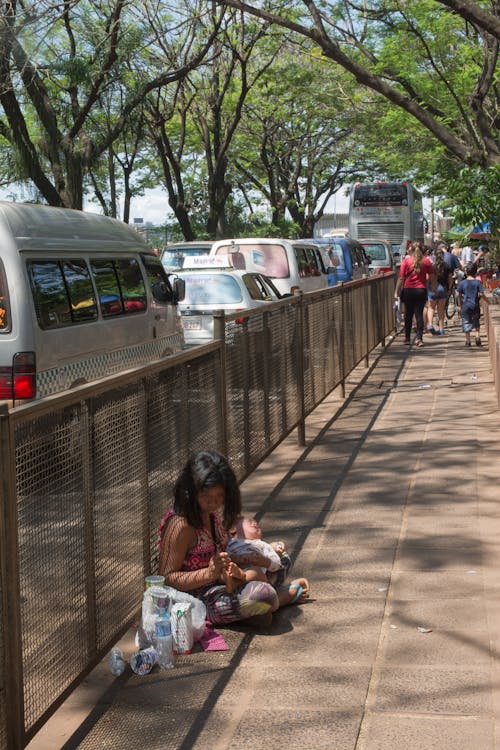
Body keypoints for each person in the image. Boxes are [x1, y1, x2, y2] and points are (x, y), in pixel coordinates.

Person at [158, 450, 309, 626]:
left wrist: (241, 559)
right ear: (192, 491)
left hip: (225, 581)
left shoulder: (211, 515)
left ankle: (261, 608)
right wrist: (209, 573)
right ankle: (278, 599)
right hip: (198, 598)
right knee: (262, 596)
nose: (214, 503)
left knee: (281, 560)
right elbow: (166, 578)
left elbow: (224, 552)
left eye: (219, 496)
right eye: (207, 497)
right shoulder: (181, 525)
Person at [226, 516, 306, 601]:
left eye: (258, 526)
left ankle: (241, 580)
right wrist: (238, 558)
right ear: (233, 529)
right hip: (233, 571)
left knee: (257, 571)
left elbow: (276, 563)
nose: (256, 523)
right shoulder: (229, 542)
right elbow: (225, 555)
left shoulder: (260, 544)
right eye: (250, 521)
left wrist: (264, 561)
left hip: (256, 579)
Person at [395, 240, 437, 347]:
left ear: (411, 250)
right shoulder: (426, 261)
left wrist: (396, 291)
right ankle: (419, 338)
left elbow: (401, 278)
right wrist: (434, 289)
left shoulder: (406, 261)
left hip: (408, 290)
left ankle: (407, 338)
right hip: (421, 290)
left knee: (408, 314)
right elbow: (432, 277)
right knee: (419, 314)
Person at [457, 263, 485, 347]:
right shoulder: (478, 282)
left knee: (466, 321)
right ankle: (477, 336)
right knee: (476, 321)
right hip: (475, 305)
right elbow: (482, 294)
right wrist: (486, 300)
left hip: (466, 306)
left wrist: (460, 305)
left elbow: (459, 295)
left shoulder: (462, 283)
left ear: (466, 272)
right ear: (475, 272)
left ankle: (468, 340)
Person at [426, 248, 451, 336]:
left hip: (433, 288)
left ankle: (430, 325)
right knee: (441, 310)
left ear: (434, 256)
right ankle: (441, 330)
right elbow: (450, 278)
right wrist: (449, 288)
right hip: (443, 288)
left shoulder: (432, 266)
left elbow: (428, 278)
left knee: (431, 308)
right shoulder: (447, 266)